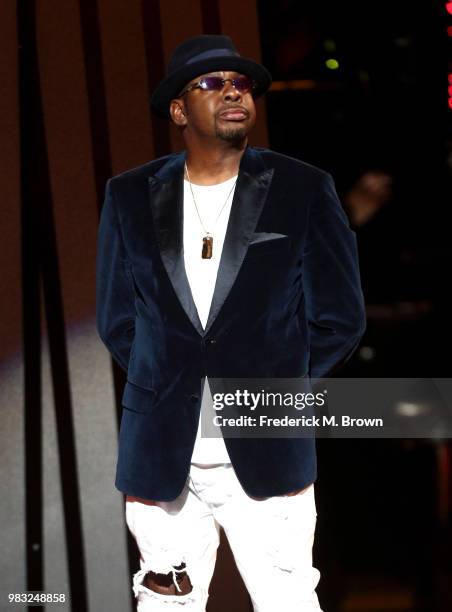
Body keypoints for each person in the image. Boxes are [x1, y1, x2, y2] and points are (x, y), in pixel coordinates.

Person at [96, 34, 365, 612]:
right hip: (161, 451)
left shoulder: (302, 187)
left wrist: (275, 391)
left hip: (267, 447)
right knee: (166, 603)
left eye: (241, 83)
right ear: (178, 109)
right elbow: (118, 319)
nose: (233, 92)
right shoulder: (128, 196)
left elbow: (340, 318)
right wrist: (167, 379)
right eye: (212, 83)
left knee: (287, 600)